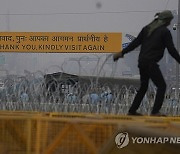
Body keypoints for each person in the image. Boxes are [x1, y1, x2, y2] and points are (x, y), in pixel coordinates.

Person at [113, 10, 180, 116]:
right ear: (166, 20)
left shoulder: (147, 29)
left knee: (144, 86)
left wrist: (122, 53)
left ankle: (132, 110)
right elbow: (171, 50)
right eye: (169, 21)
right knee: (161, 86)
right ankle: (155, 111)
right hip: (151, 63)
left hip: (142, 62)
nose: (170, 23)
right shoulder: (164, 32)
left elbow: (135, 43)